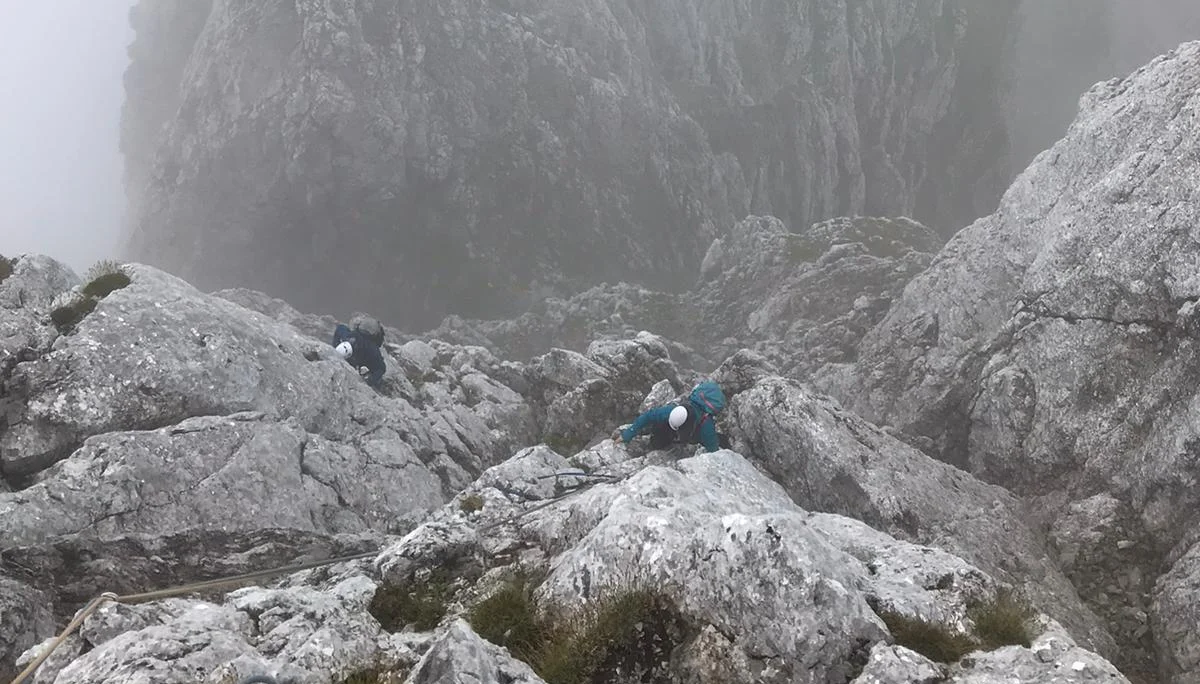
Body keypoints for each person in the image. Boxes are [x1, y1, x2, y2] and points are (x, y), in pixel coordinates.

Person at [613, 380, 729, 453]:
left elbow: (713, 448)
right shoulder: (669, 412)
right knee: (658, 442)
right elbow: (648, 416)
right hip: (675, 429)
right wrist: (629, 433)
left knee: (722, 441)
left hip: (694, 433)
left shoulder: (706, 425)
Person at [331, 317, 386, 387]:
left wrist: (334, 347)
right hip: (365, 355)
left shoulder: (370, 349)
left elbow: (340, 328)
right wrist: (369, 382)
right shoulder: (372, 349)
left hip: (364, 350)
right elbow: (381, 368)